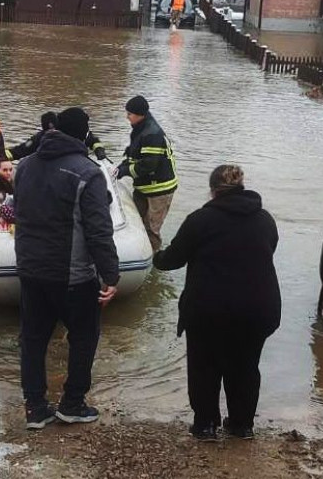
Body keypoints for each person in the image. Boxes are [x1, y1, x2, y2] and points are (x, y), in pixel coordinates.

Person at [153, 164, 280, 441]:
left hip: (208, 310)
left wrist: (155, 256)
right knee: (245, 367)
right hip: (257, 309)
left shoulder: (200, 220)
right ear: (242, 187)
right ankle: (242, 425)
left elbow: (173, 259)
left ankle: (206, 425)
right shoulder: (265, 220)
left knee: (204, 366)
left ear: (212, 191)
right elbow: (269, 248)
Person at [13, 106, 120, 429]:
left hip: (31, 270)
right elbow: (98, 230)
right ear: (84, 135)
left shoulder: (25, 166)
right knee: (84, 336)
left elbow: (19, 212)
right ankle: (72, 402)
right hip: (72, 276)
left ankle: (35, 407)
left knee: (33, 339)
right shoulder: (88, 173)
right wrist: (111, 274)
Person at [115, 95, 178, 251]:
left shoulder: (152, 134)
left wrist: (124, 171)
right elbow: (135, 156)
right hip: (145, 187)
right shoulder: (141, 129)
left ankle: (153, 258)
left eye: (129, 114)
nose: (127, 117)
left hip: (159, 190)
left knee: (151, 230)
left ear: (140, 114)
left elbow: (148, 165)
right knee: (136, 224)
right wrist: (121, 167)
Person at [10, 111, 106, 161]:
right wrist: (3, 158)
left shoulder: (77, 132)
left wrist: (99, 150)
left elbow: (93, 140)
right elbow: (21, 150)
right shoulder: (41, 138)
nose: (51, 132)